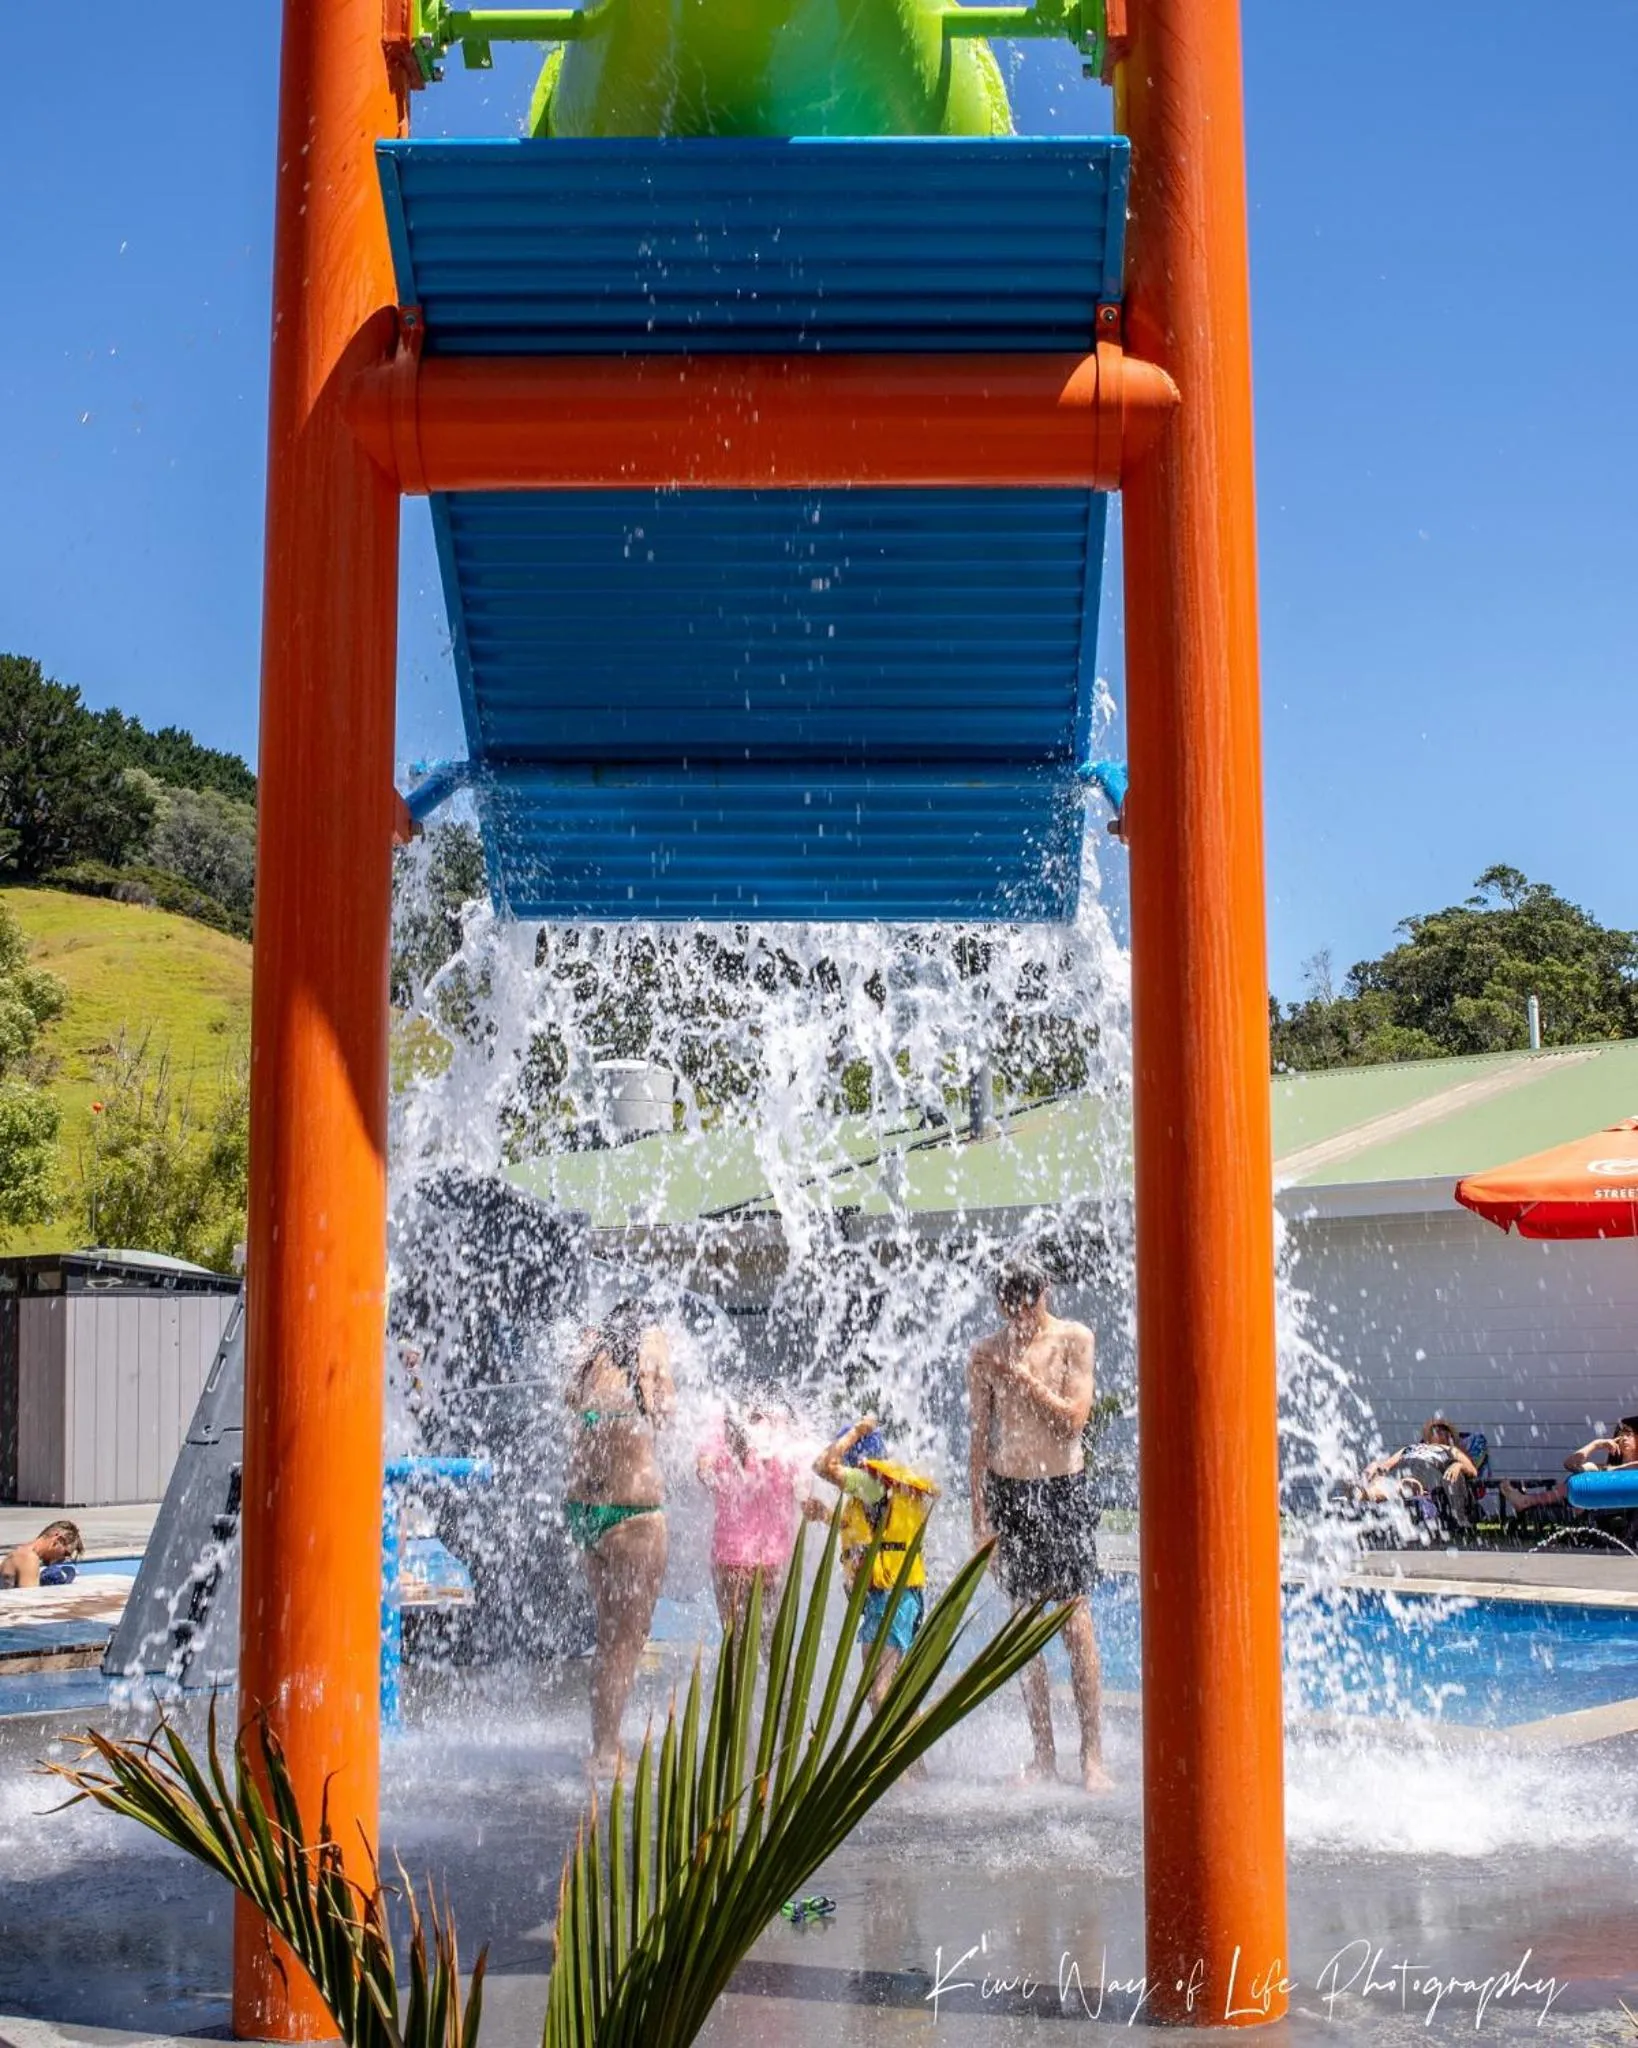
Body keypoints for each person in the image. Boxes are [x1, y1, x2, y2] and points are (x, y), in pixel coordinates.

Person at [968, 1258, 1109, 1792]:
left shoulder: (1074, 1339)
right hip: (1010, 1492)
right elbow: (980, 1438)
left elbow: (1073, 1418)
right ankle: (1044, 1754)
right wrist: (978, 1516)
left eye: (1028, 1301)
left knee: (1074, 1621)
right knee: (1023, 1626)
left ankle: (1091, 1757)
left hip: (1061, 1489)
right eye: (1009, 1305)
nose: (1019, 1314)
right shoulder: (985, 1352)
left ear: (1044, 1292)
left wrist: (1024, 1380)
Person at [562, 1301, 675, 1776]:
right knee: (627, 1639)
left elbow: (569, 1402)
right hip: (634, 1513)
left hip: (586, 1512)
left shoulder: (590, 1362)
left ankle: (601, 1744)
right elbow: (664, 1414)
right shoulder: (653, 1349)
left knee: (609, 1634)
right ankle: (607, 1750)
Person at [812, 1414, 939, 1718]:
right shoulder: (879, 1490)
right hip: (893, 1597)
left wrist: (856, 1431)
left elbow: (822, 1466)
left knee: (880, 1691)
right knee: (885, 1691)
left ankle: (902, 1765)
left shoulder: (868, 1482)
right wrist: (824, 1515)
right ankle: (915, 1764)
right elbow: (864, 1535)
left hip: (890, 1599)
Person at [696, 1397, 810, 1652]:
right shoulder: (788, 1432)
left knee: (734, 1649)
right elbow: (804, 1492)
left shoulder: (723, 1423)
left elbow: (704, 1472)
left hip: (730, 1557)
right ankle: (791, 1694)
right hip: (773, 1560)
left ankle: (734, 1692)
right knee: (774, 1649)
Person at [1500, 1414, 1638, 1515]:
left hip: (1621, 1505)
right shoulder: (1605, 1468)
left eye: (1629, 1434)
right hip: (1601, 1506)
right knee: (1576, 1479)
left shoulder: (1617, 1469)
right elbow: (1570, 1464)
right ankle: (1528, 1501)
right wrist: (1596, 1444)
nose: (1623, 1438)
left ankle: (1528, 1501)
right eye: (1621, 1435)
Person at [1359, 1418, 1480, 1522]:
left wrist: (1458, 1465)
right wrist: (1374, 1468)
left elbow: (1472, 1470)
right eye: (1435, 1429)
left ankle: (1368, 1493)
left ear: (1449, 1437)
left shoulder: (1451, 1450)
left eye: (1442, 1430)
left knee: (1406, 1484)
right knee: (1379, 1475)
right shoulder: (1411, 1448)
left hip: (1427, 1473)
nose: (1438, 1431)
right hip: (1401, 1472)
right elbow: (1387, 1465)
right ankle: (1362, 1492)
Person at [0, 1519, 84, 1590]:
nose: (63, 1559)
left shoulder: (21, 1553)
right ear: (58, 1540)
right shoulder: (29, 1558)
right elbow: (29, 1604)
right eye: (65, 1553)